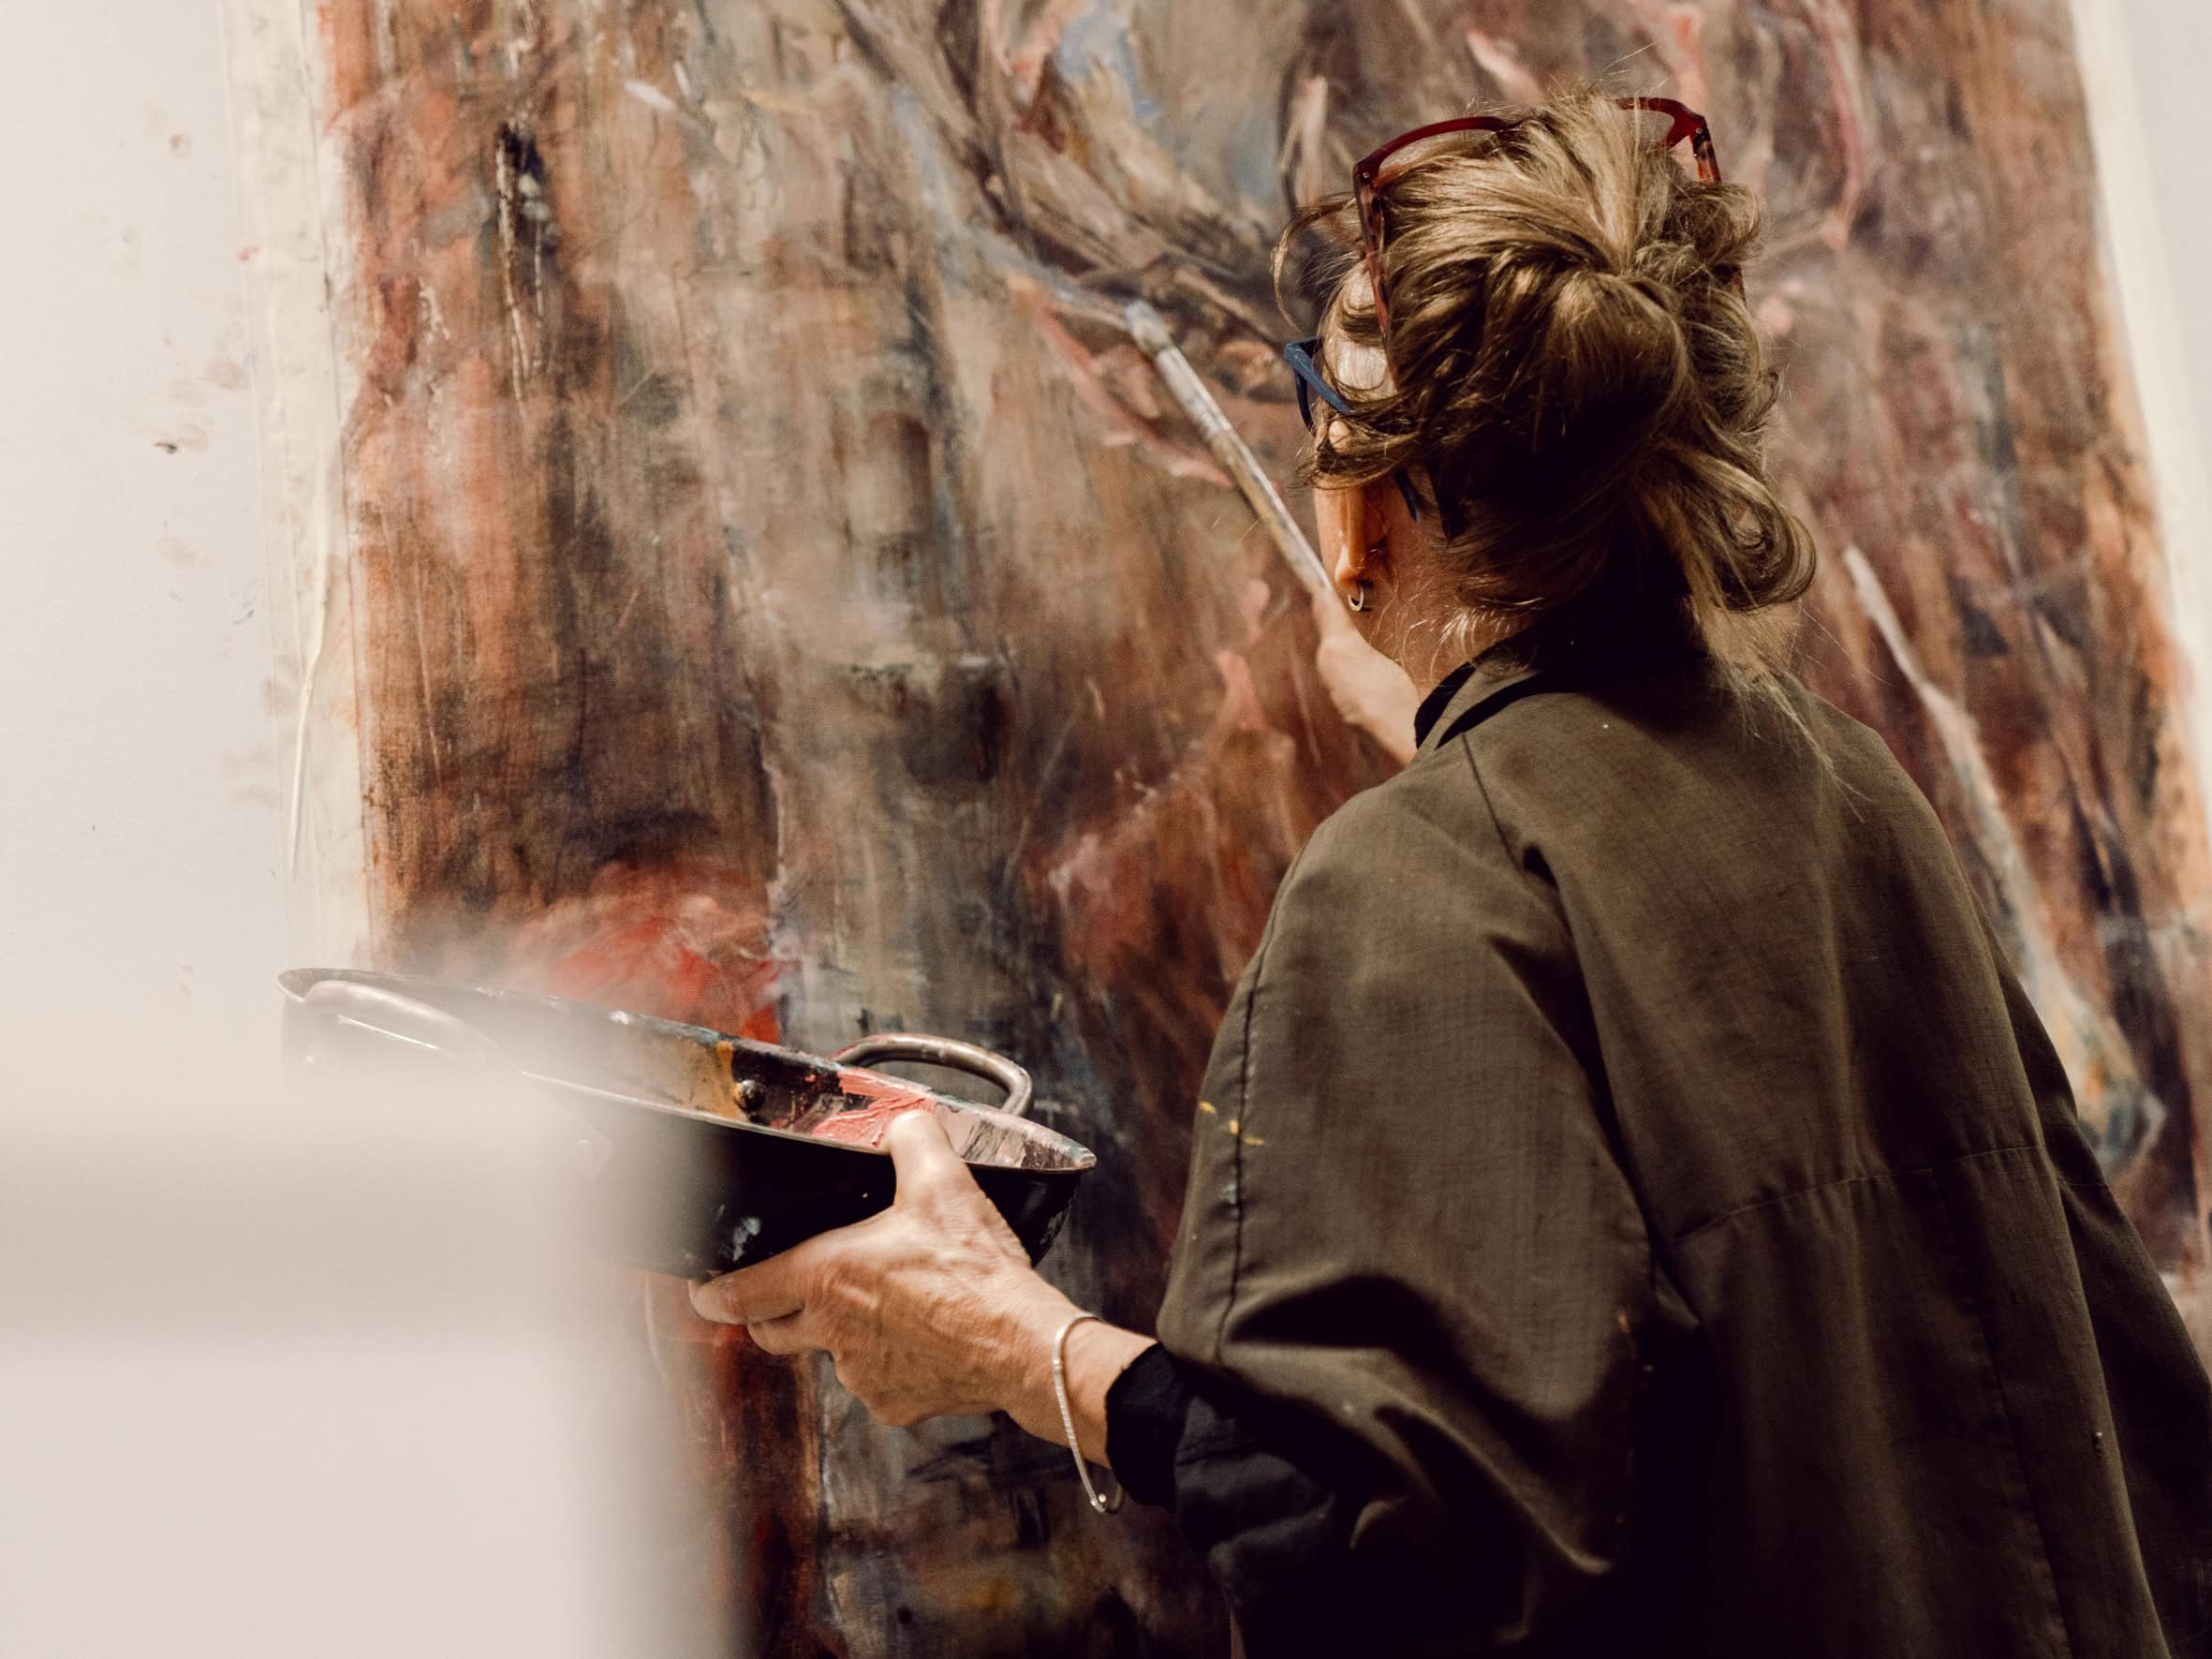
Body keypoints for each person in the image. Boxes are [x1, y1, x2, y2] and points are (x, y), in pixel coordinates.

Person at [689, 88, 2212, 1656]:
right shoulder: (1846, 787)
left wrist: (1020, 1346)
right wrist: (1451, 735)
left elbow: (1379, 1553)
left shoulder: (1414, 881)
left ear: (1358, 525)